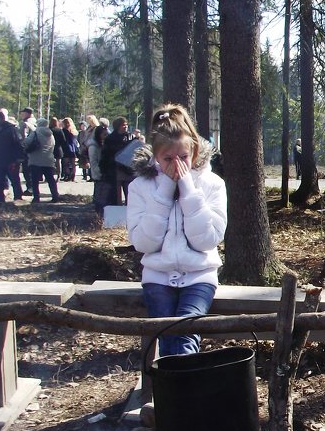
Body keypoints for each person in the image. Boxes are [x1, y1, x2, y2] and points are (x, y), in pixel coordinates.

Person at [126, 103, 227, 358]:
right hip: (158, 276)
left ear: (193, 150)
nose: (177, 165)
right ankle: (176, 395)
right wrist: (163, 193)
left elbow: (208, 239)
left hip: (199, 276)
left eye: (183, 158)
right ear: (155, 157)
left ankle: (183, 396)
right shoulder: (141, 186)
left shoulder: (212, 184)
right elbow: (143, 243)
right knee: (166, 337)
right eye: (168, 159)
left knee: (183, 338)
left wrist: (189, 193)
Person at [0, 110, 25, 202]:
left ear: (2, 118)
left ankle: (18, 198)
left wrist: (18, 159)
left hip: (10, 160)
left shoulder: (11, 129)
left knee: (14, 180)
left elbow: (18, 144)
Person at [24, 118, 60, 203]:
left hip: (36, 160)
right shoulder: (50, 134)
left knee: (35, 181)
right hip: (48, 160)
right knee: (51, 180)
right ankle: (55, 196)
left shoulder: (35, 133)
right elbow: (53, 145)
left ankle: (36, 197)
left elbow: (27, 142)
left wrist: (24, 136)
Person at [88, 123, 110, 215]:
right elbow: (93, 162)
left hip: (104, 173)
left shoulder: (103, 145)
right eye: (104, 134)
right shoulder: (93, 147)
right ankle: (98, 214)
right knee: (99, 196)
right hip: (99, 174)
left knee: (104, 195)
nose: (106, 136)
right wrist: (98, 174)